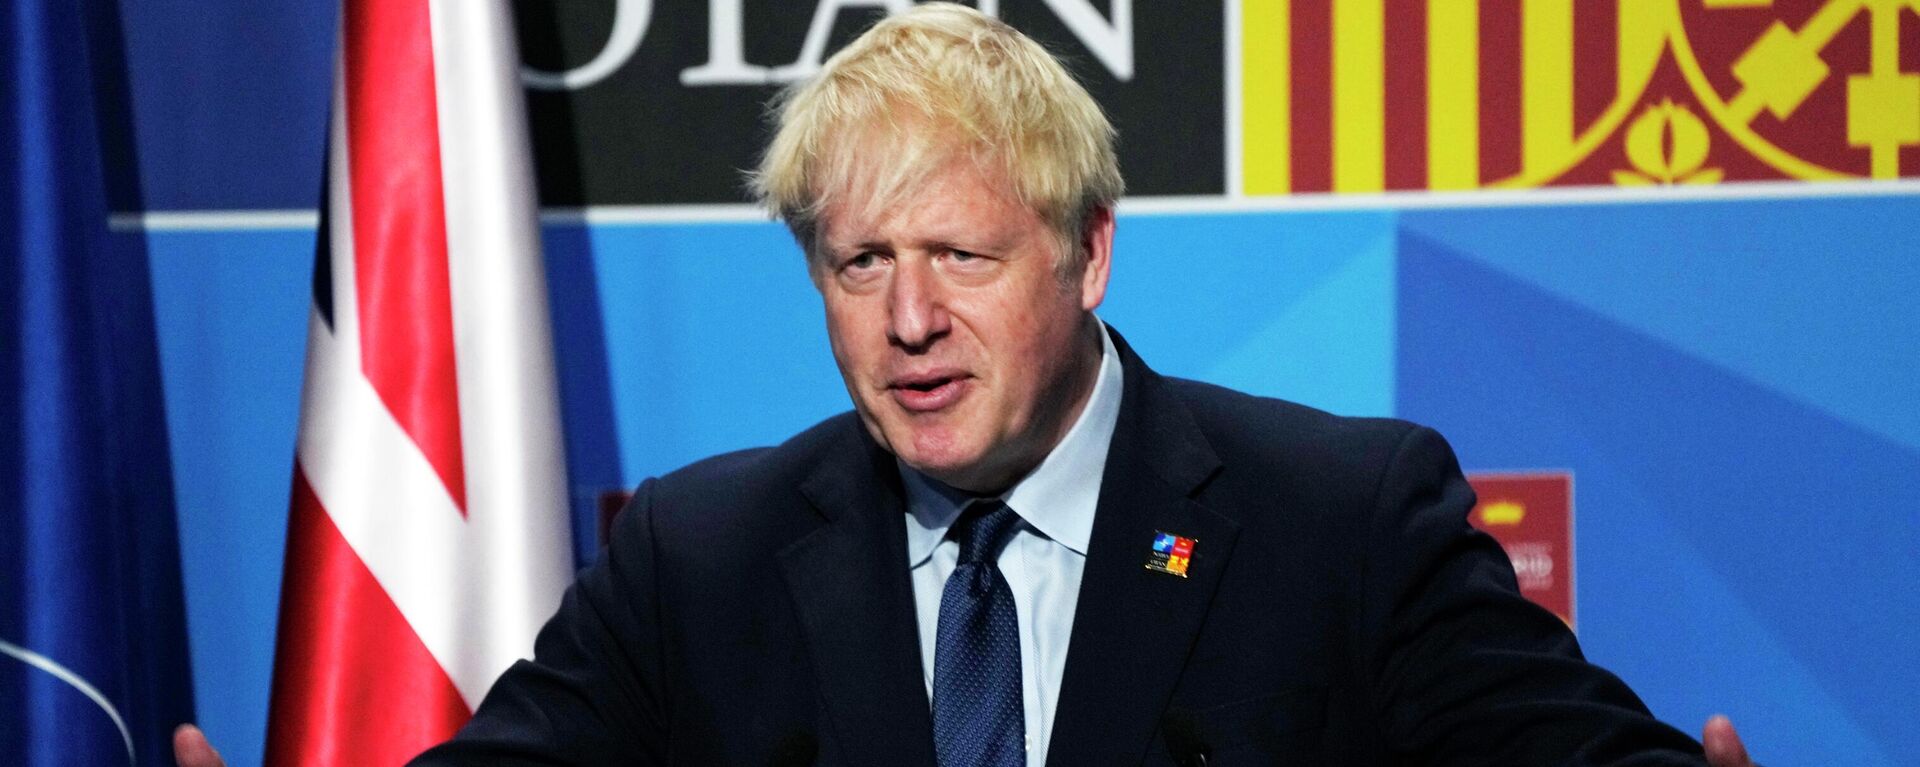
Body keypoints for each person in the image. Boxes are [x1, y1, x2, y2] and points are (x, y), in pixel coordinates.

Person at [178, 4, 1759, 765]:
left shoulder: (1338, 519)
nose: (911, 318)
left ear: (1087, 256)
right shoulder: (702, 554)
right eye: (862, 265)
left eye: (964, 257)